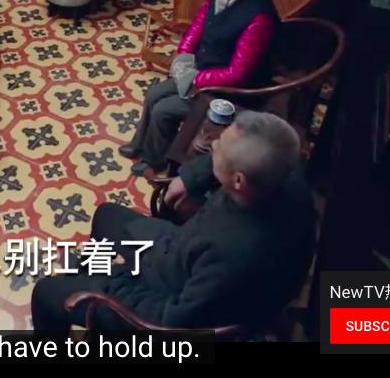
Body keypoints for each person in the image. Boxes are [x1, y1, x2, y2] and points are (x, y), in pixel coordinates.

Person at [30, 111, 315, 334]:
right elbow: (236, 157)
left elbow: (175, 321)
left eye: (218, 148)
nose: (214, 144)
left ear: (238, 181)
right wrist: (189, 178)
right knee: (107, 215)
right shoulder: (282, 170)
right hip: (179, 251)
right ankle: (89, 271)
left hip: (167, 293)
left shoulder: (234, 255)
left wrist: (116, 286)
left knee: (46, 293)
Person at [121, 0, 278, 175]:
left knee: (164, 109)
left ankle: (154, 160)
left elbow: (238, 74)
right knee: (154, 93)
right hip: (203, 70)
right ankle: (141, 144)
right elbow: (200, 22)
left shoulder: (259, 17)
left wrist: (196, 79)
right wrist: (183, 52)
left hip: (227, 91)